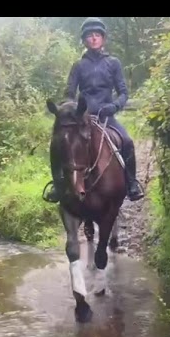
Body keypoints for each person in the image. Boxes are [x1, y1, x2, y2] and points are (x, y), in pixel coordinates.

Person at [45, 17, 145, 203]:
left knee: (127, 141)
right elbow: (69, 93)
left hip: (107, 117)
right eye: (89, 36)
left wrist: (114, 106)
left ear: (103, 38)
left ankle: (132, 184)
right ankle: (58, 186)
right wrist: (71, 109)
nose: (93, 38)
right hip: (82, 118)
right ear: (84, 40)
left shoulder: (113, 63)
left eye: (97, 35)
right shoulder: (78, 66)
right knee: (57, 143)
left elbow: (123, 93)